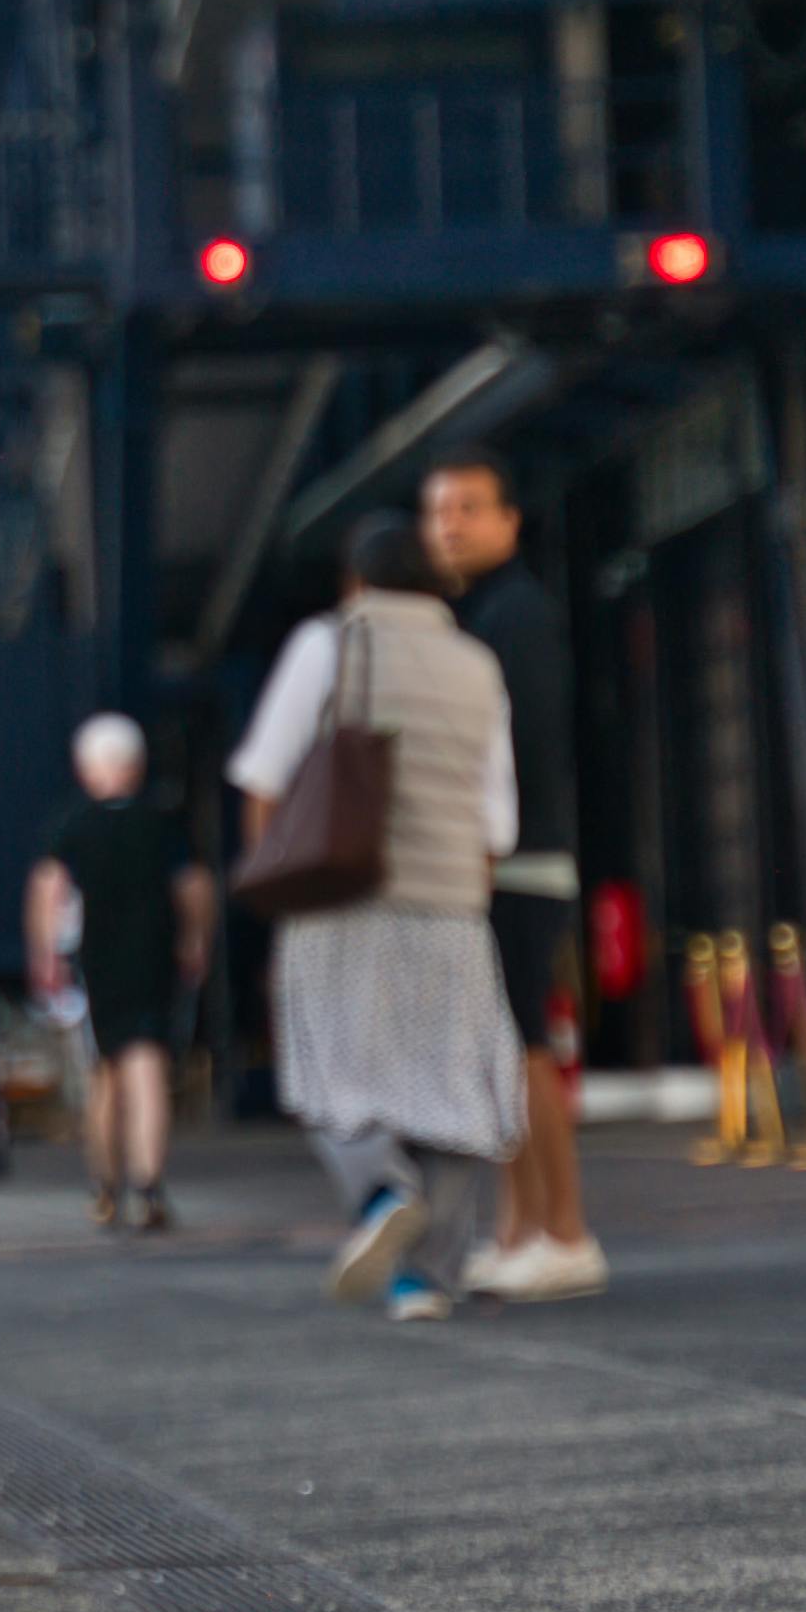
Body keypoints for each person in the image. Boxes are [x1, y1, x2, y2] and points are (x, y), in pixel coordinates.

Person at [229, 518, 520, 1317]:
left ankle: (378, 1192)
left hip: (338, 897)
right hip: (452, 903)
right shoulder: (476, 664)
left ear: (354, 582)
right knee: (452, 1091)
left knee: (329, 1068)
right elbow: (496, 817)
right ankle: (422, 1280)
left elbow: (264, 776)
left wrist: (277, 888)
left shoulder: (327, 646)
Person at [420, 447, 606, 1304]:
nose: (447, 525)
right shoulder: (483, 613)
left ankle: (564, 1231)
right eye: (436, 512)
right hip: (496, 857)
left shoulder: (516, 614)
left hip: (514, 859)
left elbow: (522, 742)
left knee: (525, 1046)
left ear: (507, 521)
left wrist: (482, 852)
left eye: (465, 508)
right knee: (502, 1055)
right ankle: (520, 1228)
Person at [26, 713, 213, 1238]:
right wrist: (194, 940)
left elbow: (49, 891)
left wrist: (45, 956)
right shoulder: (164, 821)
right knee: (147, 1064)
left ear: (86, 768)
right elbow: (194, 887)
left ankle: (104, 1190)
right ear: (136, 765)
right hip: (152, 957)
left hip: (93, 962)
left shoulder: (70, 826)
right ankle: (147, 1188)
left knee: (102, 1073)